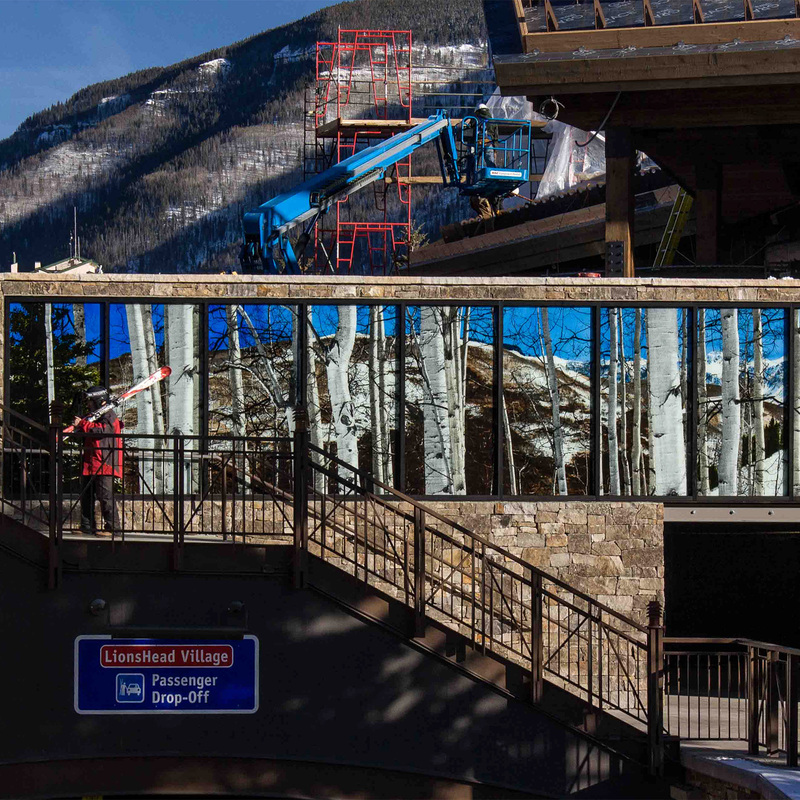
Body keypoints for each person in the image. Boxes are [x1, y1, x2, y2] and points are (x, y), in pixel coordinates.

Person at [72, 386, 122, 536]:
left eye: (90, 402)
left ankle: (113, 528)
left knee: (105, 496)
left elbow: (103, 430)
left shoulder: (110, 415)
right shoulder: (95, 416)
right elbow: (91, 429)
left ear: (98, 401)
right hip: (92, 461)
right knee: (86, 495)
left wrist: (83, 424)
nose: (88, 405)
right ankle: (87, 526)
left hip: (104, 461)